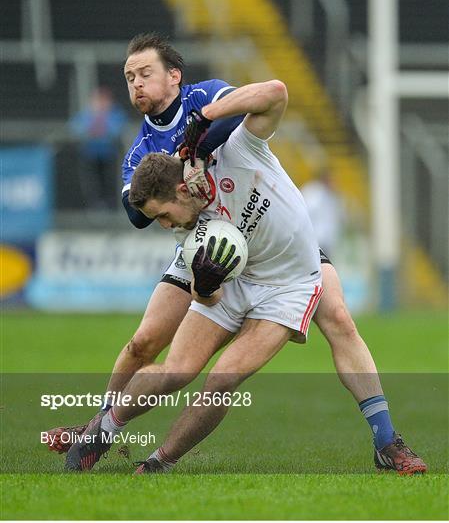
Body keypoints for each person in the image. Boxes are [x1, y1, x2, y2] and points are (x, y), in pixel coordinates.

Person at [48, 33, 426, 475]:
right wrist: (204, 284)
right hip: (214, 254)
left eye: (143, 73)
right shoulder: (148, 157)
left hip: (282, 259)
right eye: (128, 77)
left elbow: (269, 96)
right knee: (149, 346)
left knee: (336, 320)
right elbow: (138, 216)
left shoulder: (211, 107)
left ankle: (386, 440)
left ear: (174, 75)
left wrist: (201, 128)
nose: (135, 84)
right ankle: (101, 426)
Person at [70, 86, 128, 210]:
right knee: (91, 186)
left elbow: (118, 130)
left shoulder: (115, 113)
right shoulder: (86, 114)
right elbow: (75, 129)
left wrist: (102, 125)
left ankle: (111, 210)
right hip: (89, 156)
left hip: (110, 156)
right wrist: (93, 124)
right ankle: (93, 210)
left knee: (110, 185)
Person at [301, 169, 345, 259]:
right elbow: (306, 212)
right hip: (315, 240)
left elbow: (340, 217)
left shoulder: (333, 197)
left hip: (328, 242)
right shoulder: (312, 192)